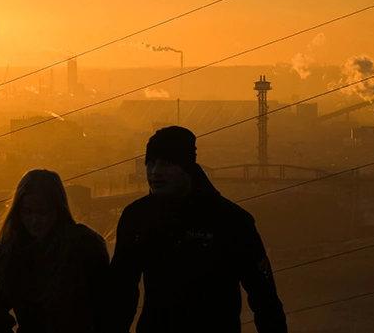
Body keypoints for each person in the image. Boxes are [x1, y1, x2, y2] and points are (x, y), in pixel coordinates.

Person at [110, 125, 287, 332]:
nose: (156, 172)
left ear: (187, 167)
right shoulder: (137, 217)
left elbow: (264, 299)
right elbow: (121, 292)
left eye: (167, 163)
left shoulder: (230, 220)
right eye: (150, 163)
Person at [0, 169, 110, 333]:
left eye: (42, 212)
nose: (34, 220)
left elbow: (104, 309)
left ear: (58, 210)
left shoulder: (86, 246)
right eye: (27, 212)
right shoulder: (2, 253)